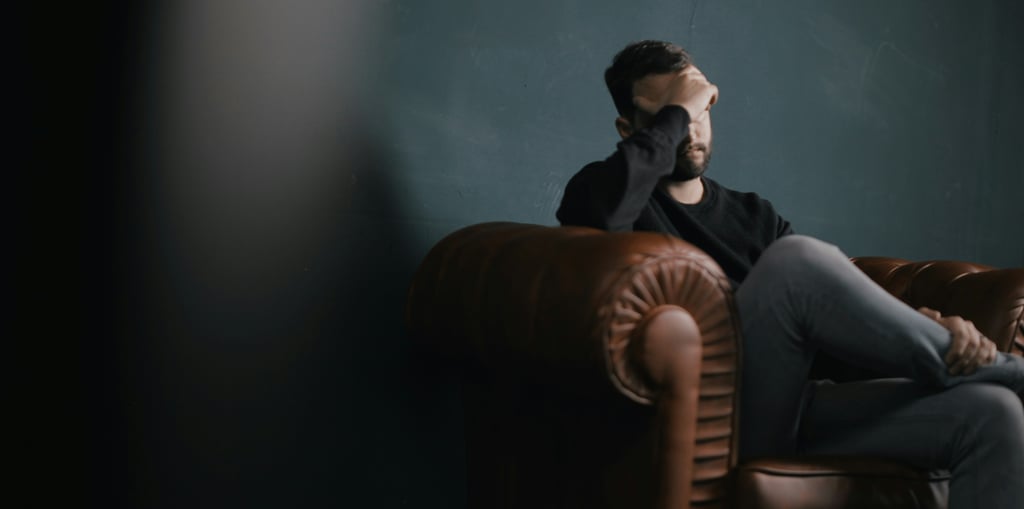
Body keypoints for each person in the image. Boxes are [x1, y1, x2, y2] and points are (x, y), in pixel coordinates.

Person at [557, 40, 1024, 508]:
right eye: (675, 114)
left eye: (701, 108)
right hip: (713, 418)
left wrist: (931, 327)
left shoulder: (753, 215)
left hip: (797, 407)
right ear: (629, 129)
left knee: (993, 413)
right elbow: (598, 216)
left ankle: (976, 370)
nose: (691, 128)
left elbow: (834, 317)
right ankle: (1001, 371)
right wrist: (680, 108)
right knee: (796, 262)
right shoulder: (603, 192)